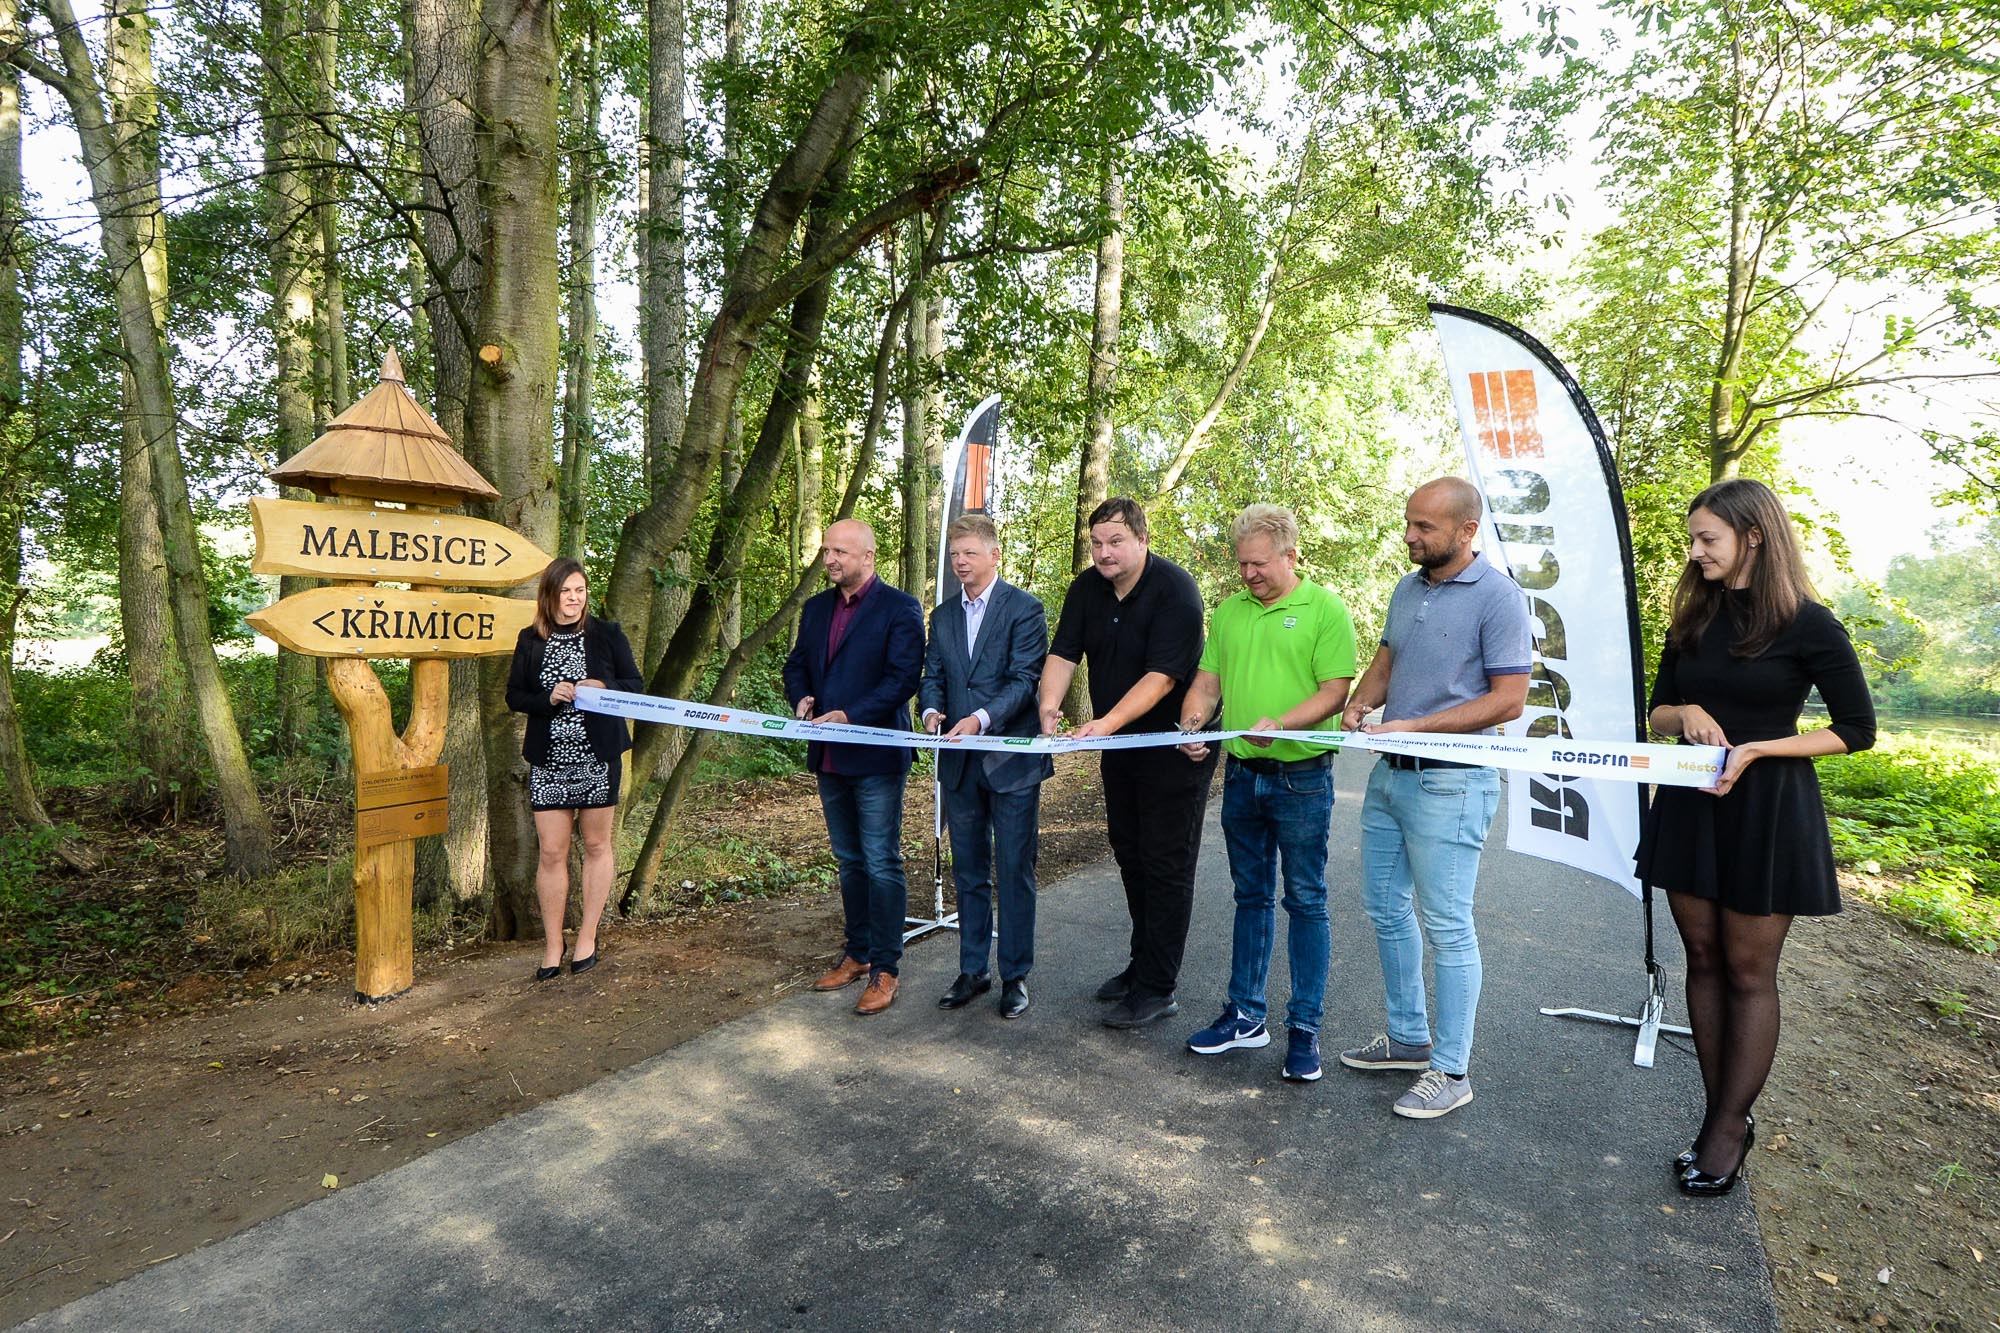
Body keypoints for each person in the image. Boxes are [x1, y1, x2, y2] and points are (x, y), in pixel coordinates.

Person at [1636, 478, 1875, 1196]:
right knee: (1701, 960)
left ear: (1754, 537)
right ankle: (1718, 1114)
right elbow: (1657, 713)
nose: (1695, 551)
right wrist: (1689, 711)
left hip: (1767, 810)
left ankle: (1729, 1127)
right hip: (1691, 805)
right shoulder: (1694, 614)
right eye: (1693, 538)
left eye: (1707, 538)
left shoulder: (1809, 623)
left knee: (1746, 971)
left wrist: (1762, 748)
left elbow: (1856, 729)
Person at [1336, 477, 1531, 1120]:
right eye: (1409, 523)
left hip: (1453, 781)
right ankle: (1408, 1038)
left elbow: (1508, 700)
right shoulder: (1408, 586)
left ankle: (1452, 1069)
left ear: (1466, 530)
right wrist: (1363, 701)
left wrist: (1415, 725)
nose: (1411, 536)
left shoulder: (1499, 598)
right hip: (1391, 773)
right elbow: (1389, 657)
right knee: (1385, 909)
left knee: (1448, 926)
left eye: (1424, 527)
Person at [1177, 505, 1356, 1081]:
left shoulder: (1325, 609)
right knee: (1248, 896)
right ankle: (1246, 1016)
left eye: (1259, 563)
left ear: (1290, 555)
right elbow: (1208, 682)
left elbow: (1334, 691)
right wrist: (1193, 723)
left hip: (1302, 777)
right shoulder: (1229, 612)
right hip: (1242, 777)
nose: (1249, 574)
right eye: (1242, 564)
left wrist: (1281, 722)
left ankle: (1304, 1030)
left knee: (1306, 900)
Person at [1039, 497, 1216, 1029]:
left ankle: (1158, 988)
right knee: (1130, 854)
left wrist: (1103, 724)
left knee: (1165, 863)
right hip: (1120, 748)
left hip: (1174, 746)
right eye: (1096, 543)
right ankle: (1142, 964)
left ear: (1142, 540)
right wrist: (1049, 707)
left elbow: (1162, 677)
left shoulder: (1175, 591)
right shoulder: (1086, 589)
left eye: (1115, 541)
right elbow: (1063, 653)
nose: (1103, 552)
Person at [783, 519, 925, 1016]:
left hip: (875, 754)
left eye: (840, 551)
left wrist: (851, 715)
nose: (830, 560)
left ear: (868, 556)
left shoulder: (900, 607)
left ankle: (887, 966)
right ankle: (858, 954)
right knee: (849, 860)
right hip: (828, 756)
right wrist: (801, 697)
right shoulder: (817, 608)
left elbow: (903, 677)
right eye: (826, 551)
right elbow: (797, 663)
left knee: (881, 860)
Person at [919, 515, 1053, 1020]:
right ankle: (972, 969)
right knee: (969, 870)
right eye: (955, 553)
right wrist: (932, 711)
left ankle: (1015, 976)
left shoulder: (1024, 609)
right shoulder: (944, 614)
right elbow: (932, 675)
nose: (959, 561)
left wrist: (978, 718)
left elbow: (1024, 681)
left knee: (1014, 870)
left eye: (969, 552)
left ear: (994, 555)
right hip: (958, 766)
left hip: (1010, 764)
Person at [504, 558, 644, 980]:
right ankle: (552, 944)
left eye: (580, 590)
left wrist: (604, 687)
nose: (574, 599)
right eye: (566, 591)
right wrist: (547, 696)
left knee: (597, 846)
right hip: (549, 761)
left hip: (597, 758)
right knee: (551, 852)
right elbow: (514, 696)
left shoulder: (606, 634)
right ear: (550, 595)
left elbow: (635, 686)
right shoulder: (530, 640)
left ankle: (587, 936)